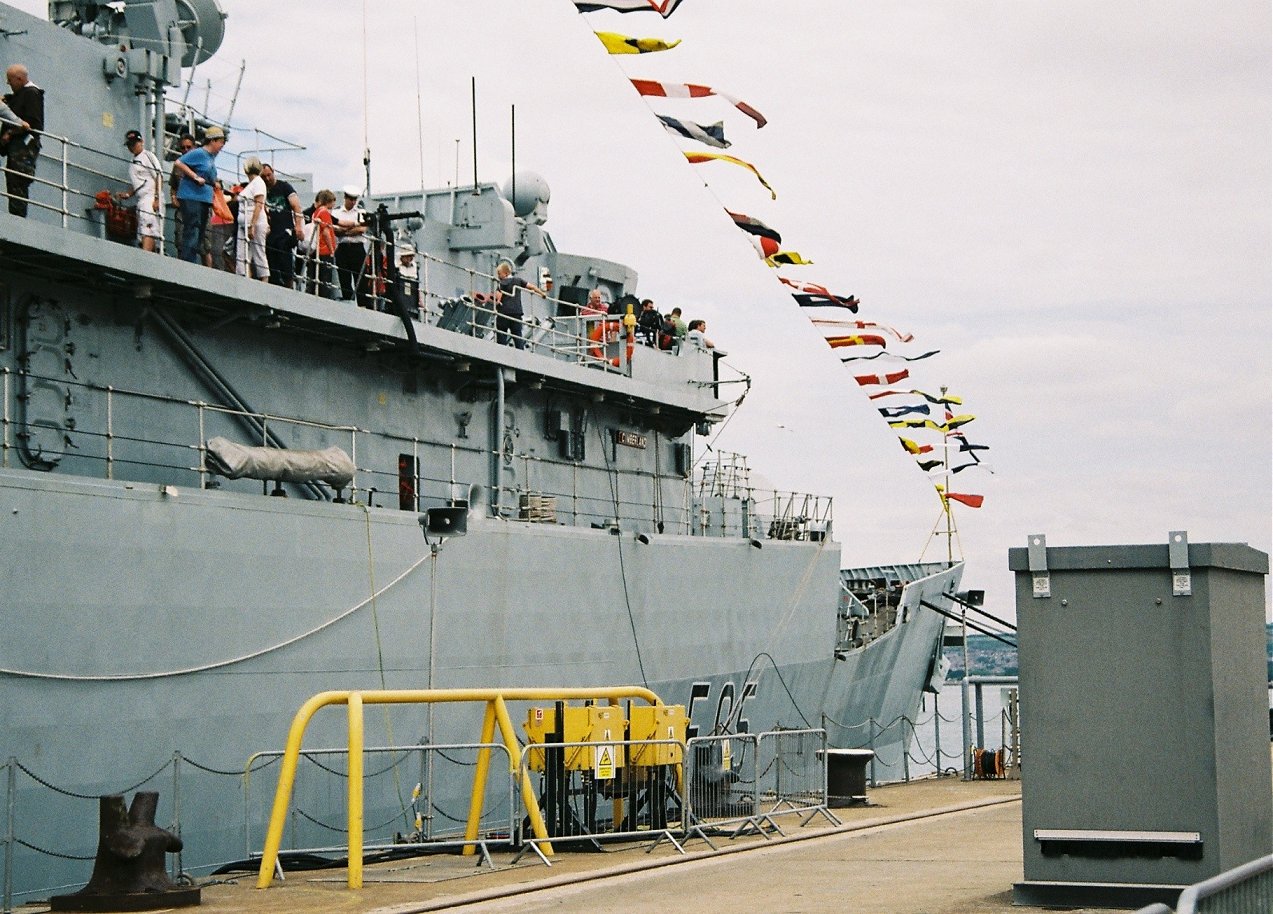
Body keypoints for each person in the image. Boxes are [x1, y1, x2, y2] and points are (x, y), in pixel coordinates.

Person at [173, 126, 225, 263]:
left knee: (200, 232)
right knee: (192, 229)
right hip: (192, 197)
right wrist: (195, 177)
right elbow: (179, 162)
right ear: (212, 141)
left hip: (203, 199)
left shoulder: (210, 158)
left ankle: (191, 260)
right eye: (220, 142)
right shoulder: (199, 153)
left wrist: (215, 183)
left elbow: (208, 175)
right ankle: (188, 261)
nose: (222, 146)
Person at [3, 64, 44, 218]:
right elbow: (18, 102)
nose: (8, 83)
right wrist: (7, 99)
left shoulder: (32, 94)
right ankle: (16, 215)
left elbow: (33, 123)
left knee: (17, 181)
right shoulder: (24, 93)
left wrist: (10, 133)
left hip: (23, 149)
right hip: (18, 149)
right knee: (13, 181)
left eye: (10, 80)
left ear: (19, 79)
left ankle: (18, 217)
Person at [117, 130, 163, 253]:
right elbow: (138, 183)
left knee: (148, 228)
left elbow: (158, 176)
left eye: (134, 143)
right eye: (130, 145)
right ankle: (150, 253)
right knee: (144, 228)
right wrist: (128, 194)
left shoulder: (147, 156)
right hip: (141, 198)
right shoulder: (133, 162)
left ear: (141, 142)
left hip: (150, 197)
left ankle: (146, 254)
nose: (132, 147)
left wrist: (157, 198)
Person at [260, 162, 304, 288]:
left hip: (285, 231)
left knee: (286, 262)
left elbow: (296, 206)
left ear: (273, 172)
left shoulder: (284, 187)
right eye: (264, 177)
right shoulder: (261, 190)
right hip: (269, 232)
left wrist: (299, 226)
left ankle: (289, 287)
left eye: (269, 175)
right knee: (271, 263)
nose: (267, 179)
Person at [493, 261, 545, 350]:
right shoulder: (518, 280)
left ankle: (500, 353)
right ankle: (520, 353)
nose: (498, 276)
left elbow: (498, 298)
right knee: (517, 336)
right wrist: (542, 293)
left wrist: (495, 301)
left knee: (501, 336)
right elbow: (531, 287)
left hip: (503, 312)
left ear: (505, 273)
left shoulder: (501, 284)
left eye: (499, 273)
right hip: (516, 312)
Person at [235, 156, 268, 280]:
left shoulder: (258, 183)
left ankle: (264, 279)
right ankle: (243, 277)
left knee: (259, 251)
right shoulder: (251, 184)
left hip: (255, 223)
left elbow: (259, 205)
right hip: (244, 223)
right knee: (242, 253)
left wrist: (252, 225)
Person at [332, 185, 367, 302]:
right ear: (345, 198)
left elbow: (362, 230)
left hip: (357, 248)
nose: (353, 202)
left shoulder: (361, 212)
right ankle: (348, 301)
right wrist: (351, 230)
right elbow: (334, 230)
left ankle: (363, 304)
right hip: (342, 248)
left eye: (354, 199)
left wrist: (344, 231)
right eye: (350, 199)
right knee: (344, 277)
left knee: (360, 278)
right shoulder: (336, 212)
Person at [305, 189, 337, 297]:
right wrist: (332, 250)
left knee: (315, 278)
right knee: (325, 280)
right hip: (324, 250)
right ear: (328, 201)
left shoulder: (315, 212)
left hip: (317, 250)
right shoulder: (324, 212)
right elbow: (326, 232)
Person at [168, 133, 195, 253]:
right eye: (183, 148)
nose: (186, 150)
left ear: (194, 147)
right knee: (180, 241)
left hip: (198, 208)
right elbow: (173, 185)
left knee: (204, 245)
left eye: (189, 147)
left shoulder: (202, 163)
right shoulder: (177, 166)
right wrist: (173, 197)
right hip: (182, 208)